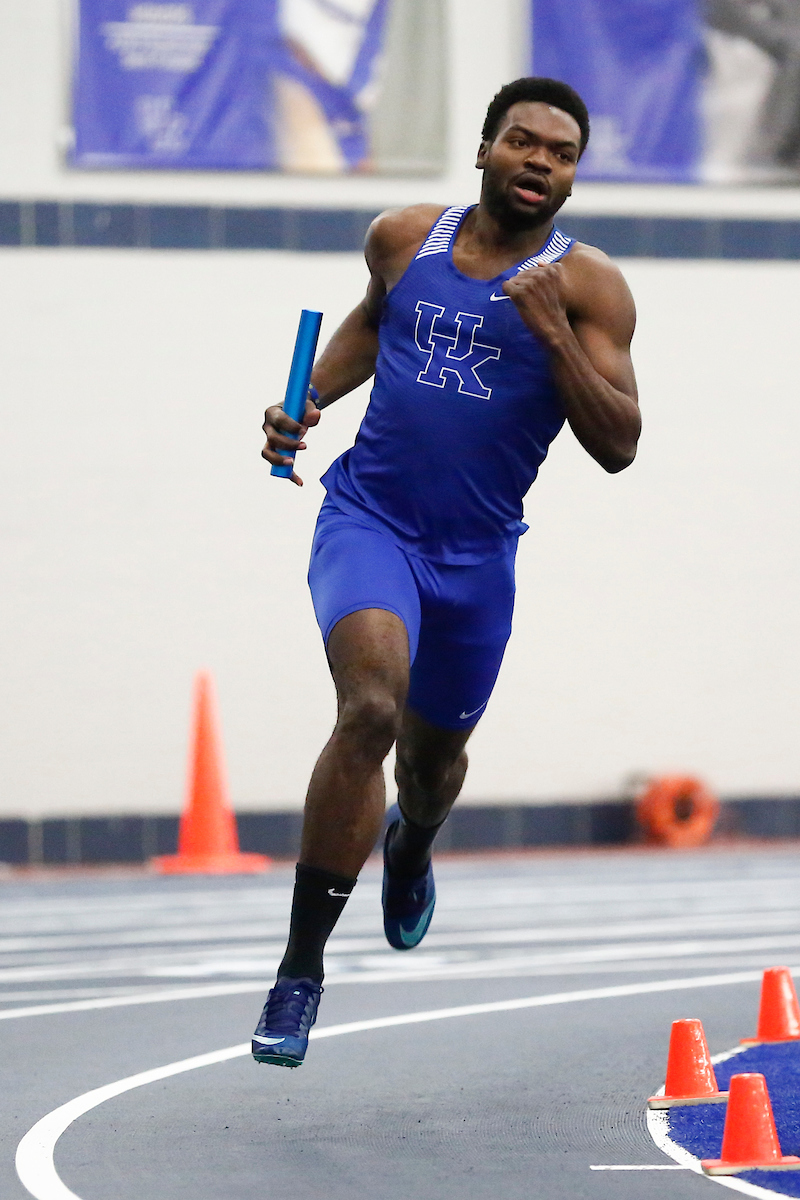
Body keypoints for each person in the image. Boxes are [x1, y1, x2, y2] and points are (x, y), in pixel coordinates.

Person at [253, 76, 641, 1068]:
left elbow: (619, 444)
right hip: (369, 521)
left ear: (570, 176)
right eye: (522, 142)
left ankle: (411, 844)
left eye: (559, 153)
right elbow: (376, 324)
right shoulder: (402, 238)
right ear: (482, 151)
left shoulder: (590, 287)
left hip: (475, 559)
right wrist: (306, 399)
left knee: (428, 770)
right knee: (369, 712)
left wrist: (551, 329)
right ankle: (299, 972)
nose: (540, 162)